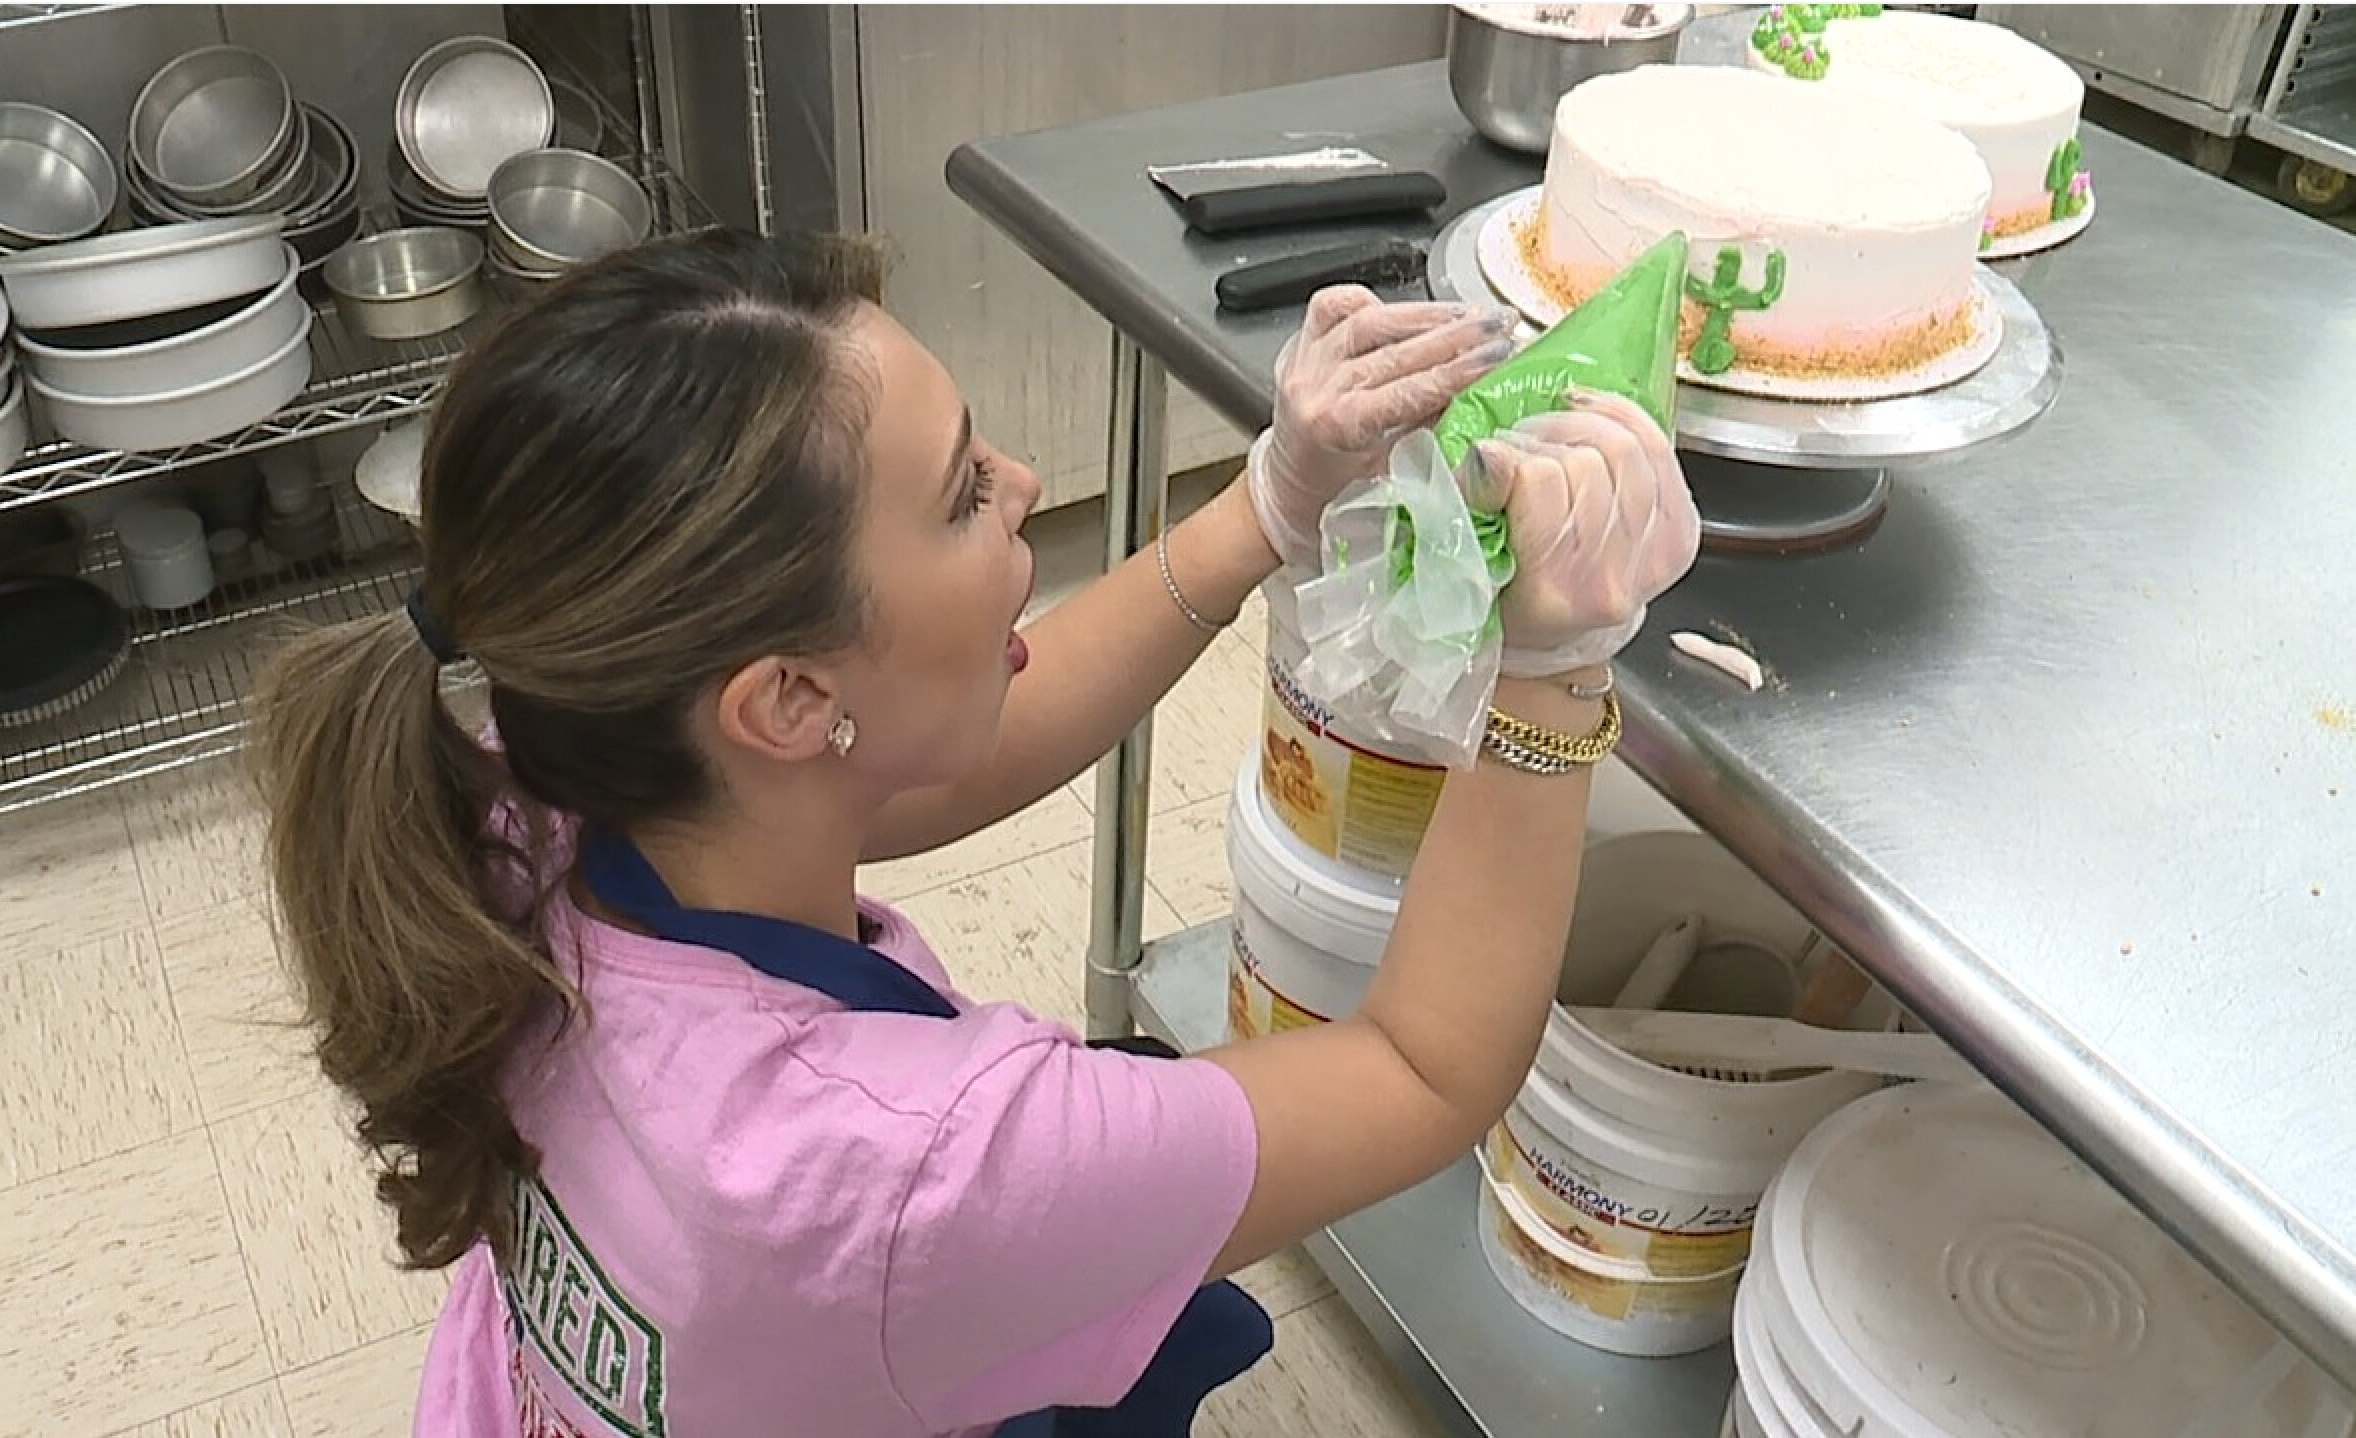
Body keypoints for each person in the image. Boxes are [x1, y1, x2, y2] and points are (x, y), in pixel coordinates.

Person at [254, 228, 1697, 1438]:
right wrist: (1549, 673)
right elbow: (1424, 1071)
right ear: (791, 696)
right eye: (961, 494)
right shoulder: (912, 1169)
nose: (1020, 484)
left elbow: (949, 751)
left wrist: (1272, 496)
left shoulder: (540, 772)